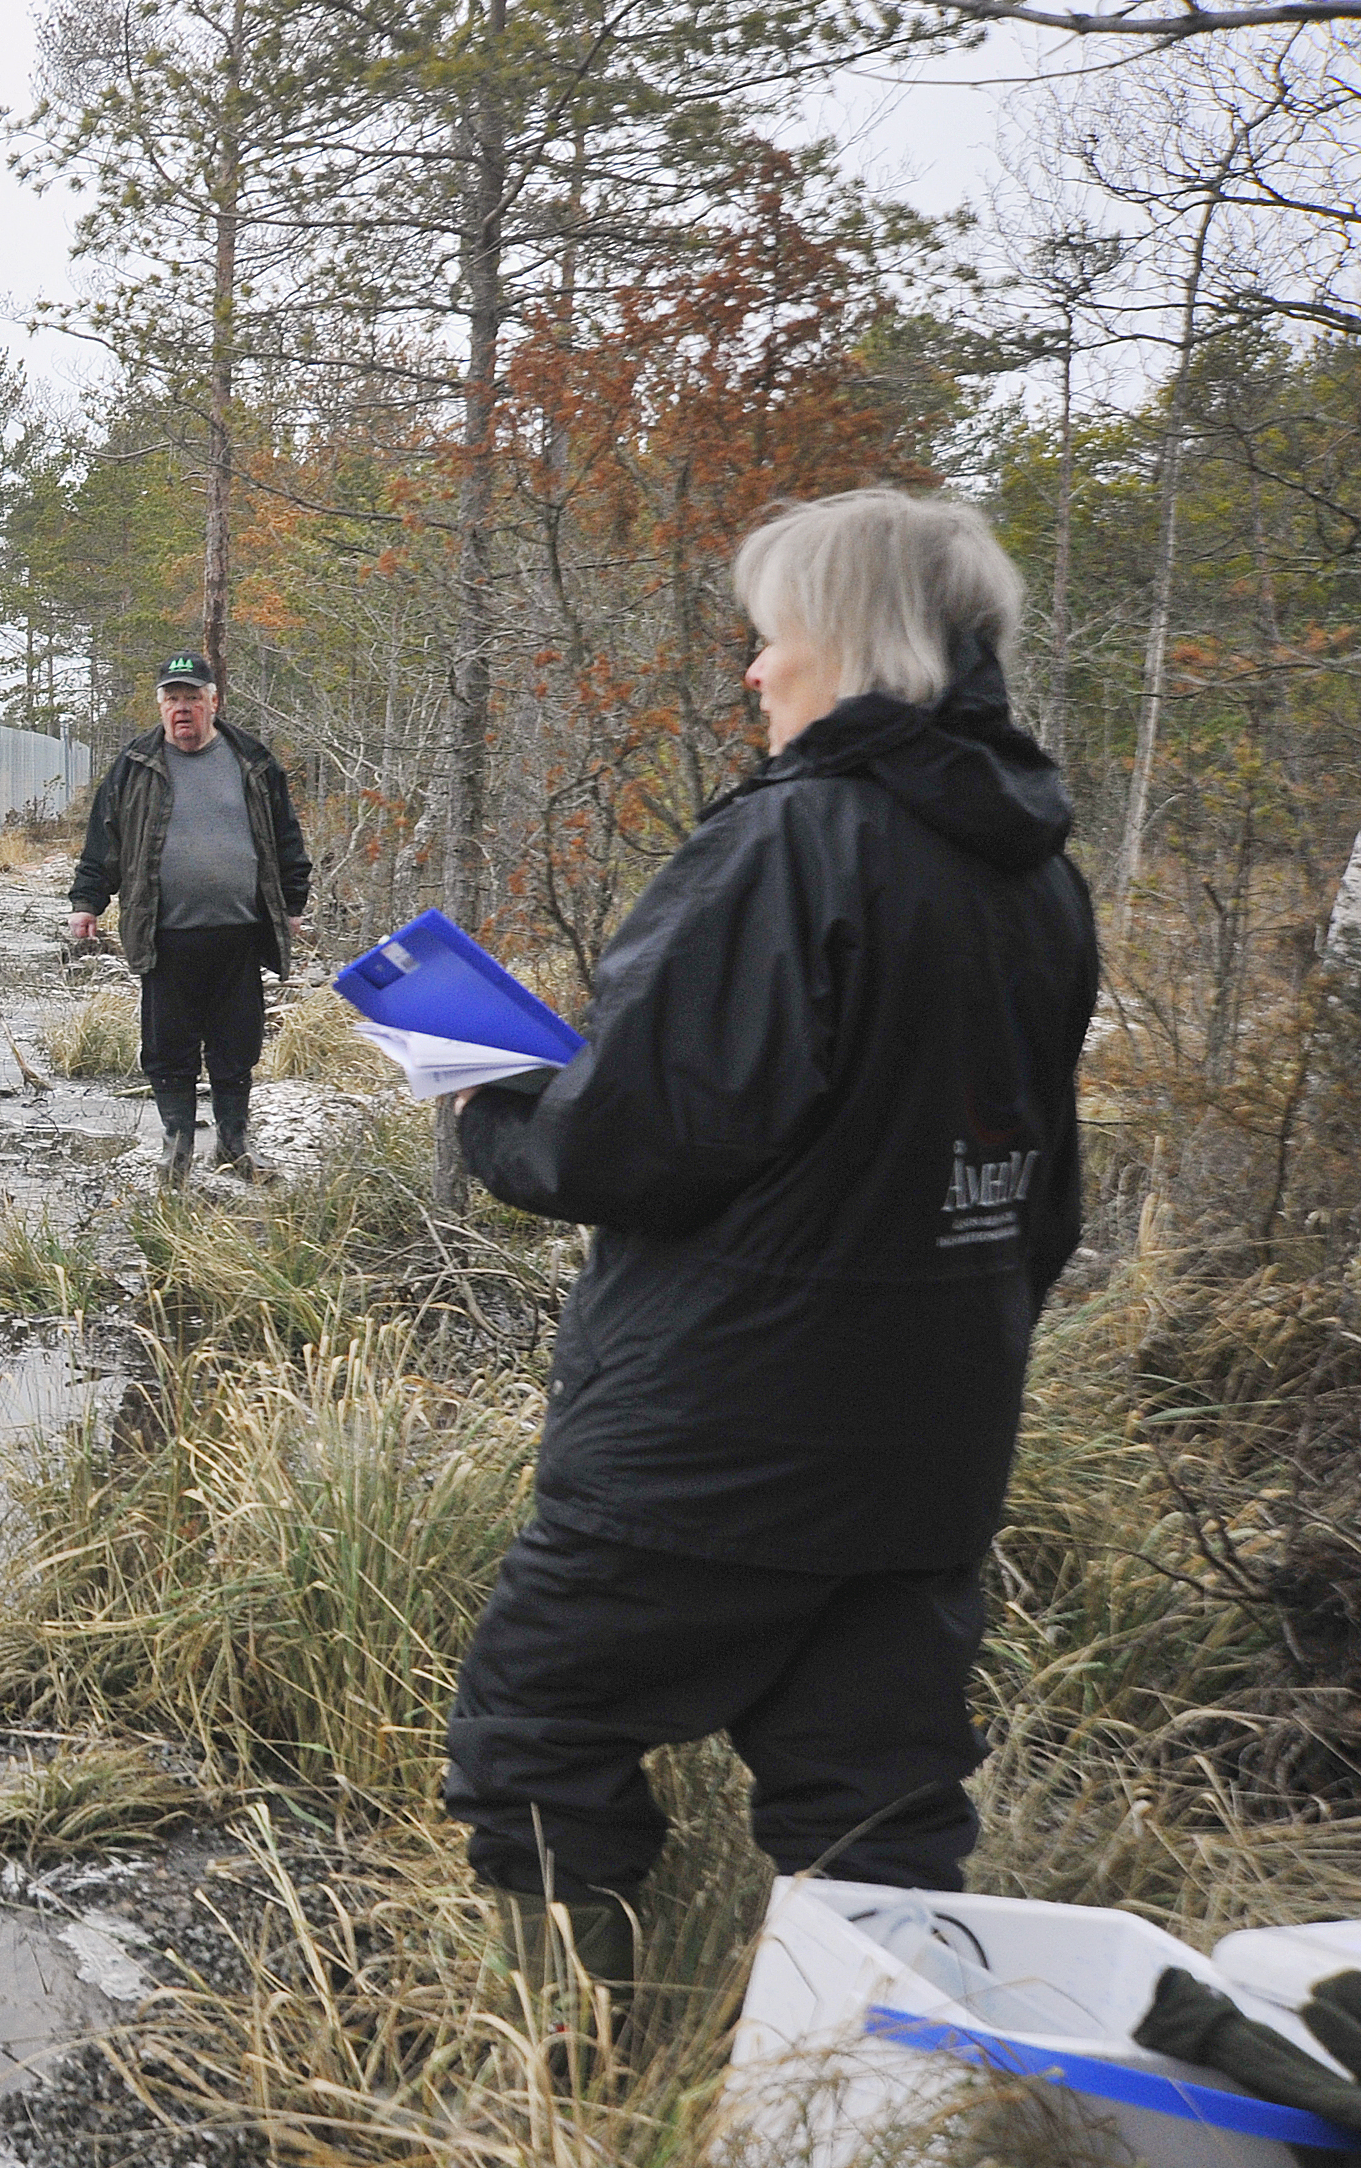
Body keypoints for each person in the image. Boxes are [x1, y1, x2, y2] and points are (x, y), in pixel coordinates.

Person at [441, 488, 1099, 2012]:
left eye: (773, 639)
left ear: (853, 646)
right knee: (875, 1797)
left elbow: (628, 1147)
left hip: (716, 1435)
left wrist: (486, 1089)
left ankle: (569, 2081)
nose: (753, 674)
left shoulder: (793, 845)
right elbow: (1042, 1190)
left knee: (537, 1731)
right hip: (932, 1436)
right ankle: (859, 2100)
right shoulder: (1036, 874)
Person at [65, 651, 312, 1185]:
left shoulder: (252, 760)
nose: (183, 710)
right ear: (160, 706)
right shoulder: (135, 764)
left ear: (214, 703)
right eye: (172, 699)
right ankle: (176, 1140)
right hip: (165, 932)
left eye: (193, 698)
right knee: (167, 1046)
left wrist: (292, 905)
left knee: (237, 1043)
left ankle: (234, 1140)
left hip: (240, 931)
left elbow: (285, 836)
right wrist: (88, 903)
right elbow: (104, 841)